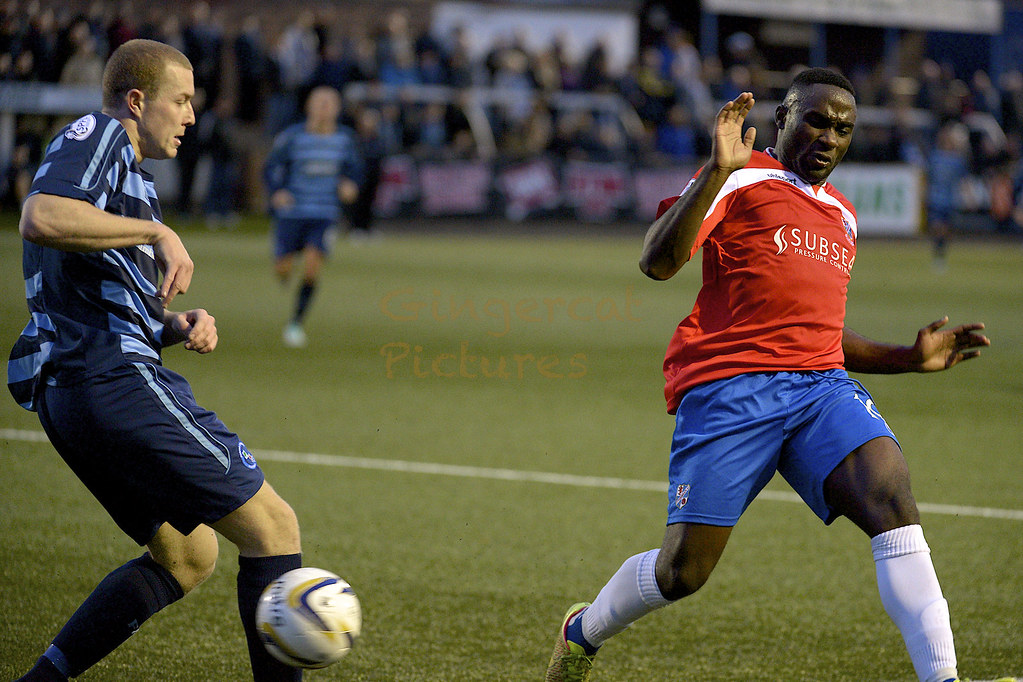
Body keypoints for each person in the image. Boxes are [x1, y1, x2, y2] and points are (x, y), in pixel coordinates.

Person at [545, 68, 993, 682]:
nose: (830, 137)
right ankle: (584, 630)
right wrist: (714, 172)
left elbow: (816, 333)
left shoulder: (844, 217)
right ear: (782, 119)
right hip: (731, 389)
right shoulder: (742, 177)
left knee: (891, 498)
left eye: (844, 128)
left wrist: (904, 358)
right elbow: (657, 262)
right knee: (684, 573)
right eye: (816, 119)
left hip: (819, 391)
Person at [8, 39, 304, 682]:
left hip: (74, 393)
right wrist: (157, 232)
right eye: (182, 100)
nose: (191, 116)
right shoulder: (101, 135)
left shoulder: (131, 181)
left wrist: (172, 324)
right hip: (110, 383)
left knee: (189, 557)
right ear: (137, 102)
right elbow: (41, 214)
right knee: (275, 529)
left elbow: (95, 294)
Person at [262, 85, 362, 348]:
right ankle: (284, 272)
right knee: (283, 268)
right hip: (292, 213)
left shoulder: (345, 139)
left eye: (330, 102)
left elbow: (355, 171)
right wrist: (278, 191)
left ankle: (295, 323)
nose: (325, 107)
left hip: (324, 214)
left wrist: (350, 185)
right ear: (309, 106)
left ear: (338, 109)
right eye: (320, 101)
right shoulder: (293, 137)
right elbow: (271, 166)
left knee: (311, 266)